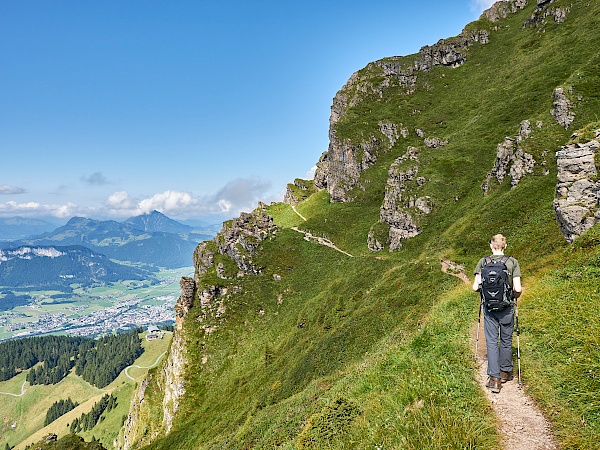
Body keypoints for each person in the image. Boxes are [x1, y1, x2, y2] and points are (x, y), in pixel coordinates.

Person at [472, 234, 522, 393]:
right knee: (506, 339)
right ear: (505, 246)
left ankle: (494, 379)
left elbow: (475, 287)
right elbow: (518, 289)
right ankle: (505, 371)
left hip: (489, 309)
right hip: (506, 307)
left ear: (491, 246)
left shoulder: (483, 262)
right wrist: (514, 298)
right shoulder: (512, 262)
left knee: (492, 341)